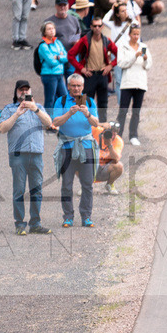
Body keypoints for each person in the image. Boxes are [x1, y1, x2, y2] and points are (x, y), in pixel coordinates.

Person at [0, 79, 55, 236]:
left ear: (31, 91)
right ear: (16, 92)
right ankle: (19, 224)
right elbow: (2, 128)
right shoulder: (9, 109)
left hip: (36, 154)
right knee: (19, 190)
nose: (24, 92)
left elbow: (49, 123)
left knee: (37, 190)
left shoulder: (39, 108)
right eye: (21, 90)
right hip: (18, 155)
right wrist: (17, 113)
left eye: (26, 89)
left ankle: (35, 223)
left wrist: (35, 109)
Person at [51, 74, 100, 228]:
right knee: (66, 184)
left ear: (83, 87)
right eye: (73, 85)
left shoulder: (89, 101)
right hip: (67, 147)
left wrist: (87, 113)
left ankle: (86, 216)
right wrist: (69, 113)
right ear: (68, 86)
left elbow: (96, 123)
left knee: (87, 184)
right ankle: (68, 217)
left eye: (79, 86)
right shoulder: (61, 101)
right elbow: (55, 122)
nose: (76, 89)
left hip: (86, 146)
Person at [68, 16, 119, 124]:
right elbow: (70, 55)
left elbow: (119, 54)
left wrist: (110, 66)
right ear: (91, 26)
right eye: (95, 26)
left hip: (102, 75)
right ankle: (83, 126)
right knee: (84, 103)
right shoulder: (85, 40)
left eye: (99, 26)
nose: (97, 28)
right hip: (88, 75)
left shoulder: (106, 40)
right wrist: (81, 69)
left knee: (103, 104)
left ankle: (102, 127)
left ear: (102, 27)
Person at [116, 24, 152, 146]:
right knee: (123, 111)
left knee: (136, 111)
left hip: (140, 83)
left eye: (138, 34)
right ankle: (118, 135)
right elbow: (121, 63)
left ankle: (133, 135)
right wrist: (134, 56)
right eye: (134, 34)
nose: (136, 37)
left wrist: (145, 59)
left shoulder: (143, 46)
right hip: (127, 83)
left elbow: (148, 66)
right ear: (129, 35)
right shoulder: (123, 47)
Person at [37, 20, 69, 108]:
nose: (52, 30)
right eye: (49, 29)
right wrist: (60, 56)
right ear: (44, 32)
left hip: (59, 74)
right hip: (49, 75)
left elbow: (66, 57)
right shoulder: (43, 46)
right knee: (50, 100)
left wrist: (57, 57)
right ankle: (47, 116)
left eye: (53, 28)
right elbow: (51, 62)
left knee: (64, 97)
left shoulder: (58, 42)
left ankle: (61, 115)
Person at [93, 122, 125, 194]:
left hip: (105, 167)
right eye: (110, 133)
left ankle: (110, 184)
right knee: (78, 160)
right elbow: (86, 125)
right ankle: (85, 186)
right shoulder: (97, 131)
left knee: (119, 166)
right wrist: (101, 124)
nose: (112, 136)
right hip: (91, 165)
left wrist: (110, 145)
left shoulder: (118, 141)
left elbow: (116, 159)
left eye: (114, 133)